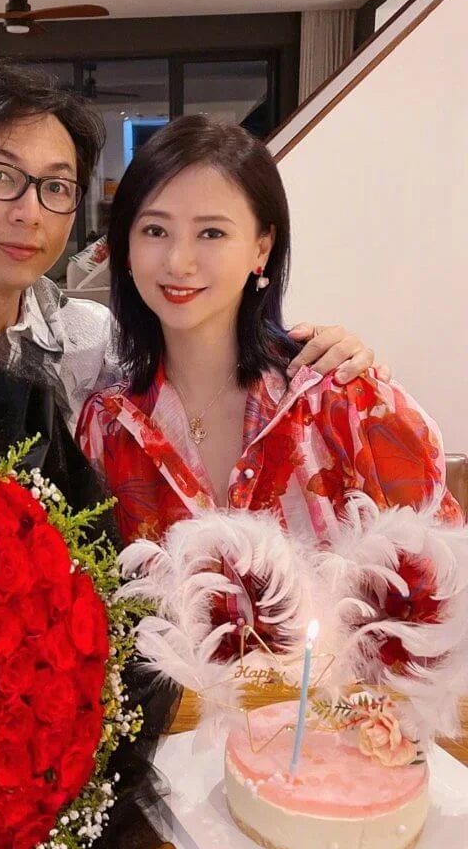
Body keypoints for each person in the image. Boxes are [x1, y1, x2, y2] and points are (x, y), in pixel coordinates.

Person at [0, 61, 378, 433]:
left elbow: (215, 376)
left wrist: (328, 352)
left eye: (55, 186)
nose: (29, 212)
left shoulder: (97, 344)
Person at [76, 115, 462, 544]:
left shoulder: (343, 400)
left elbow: (440, 570)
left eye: (211, 232)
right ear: (126, 248)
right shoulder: (107, 428)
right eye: (155, 230)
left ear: (261, 247)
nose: (178, 261)